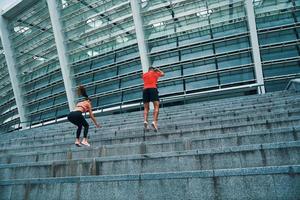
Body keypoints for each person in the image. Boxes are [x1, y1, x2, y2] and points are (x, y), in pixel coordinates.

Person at [142, 67, 164, 131]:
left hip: (145, 90)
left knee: (146, 108)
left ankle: (145, 121)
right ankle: (154, 122)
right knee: (156, 106)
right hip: (153, 89)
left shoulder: (144, 75)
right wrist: (158, 69)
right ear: (153, 69)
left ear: (148, 70)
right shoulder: (155, 73)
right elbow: (163, 74)